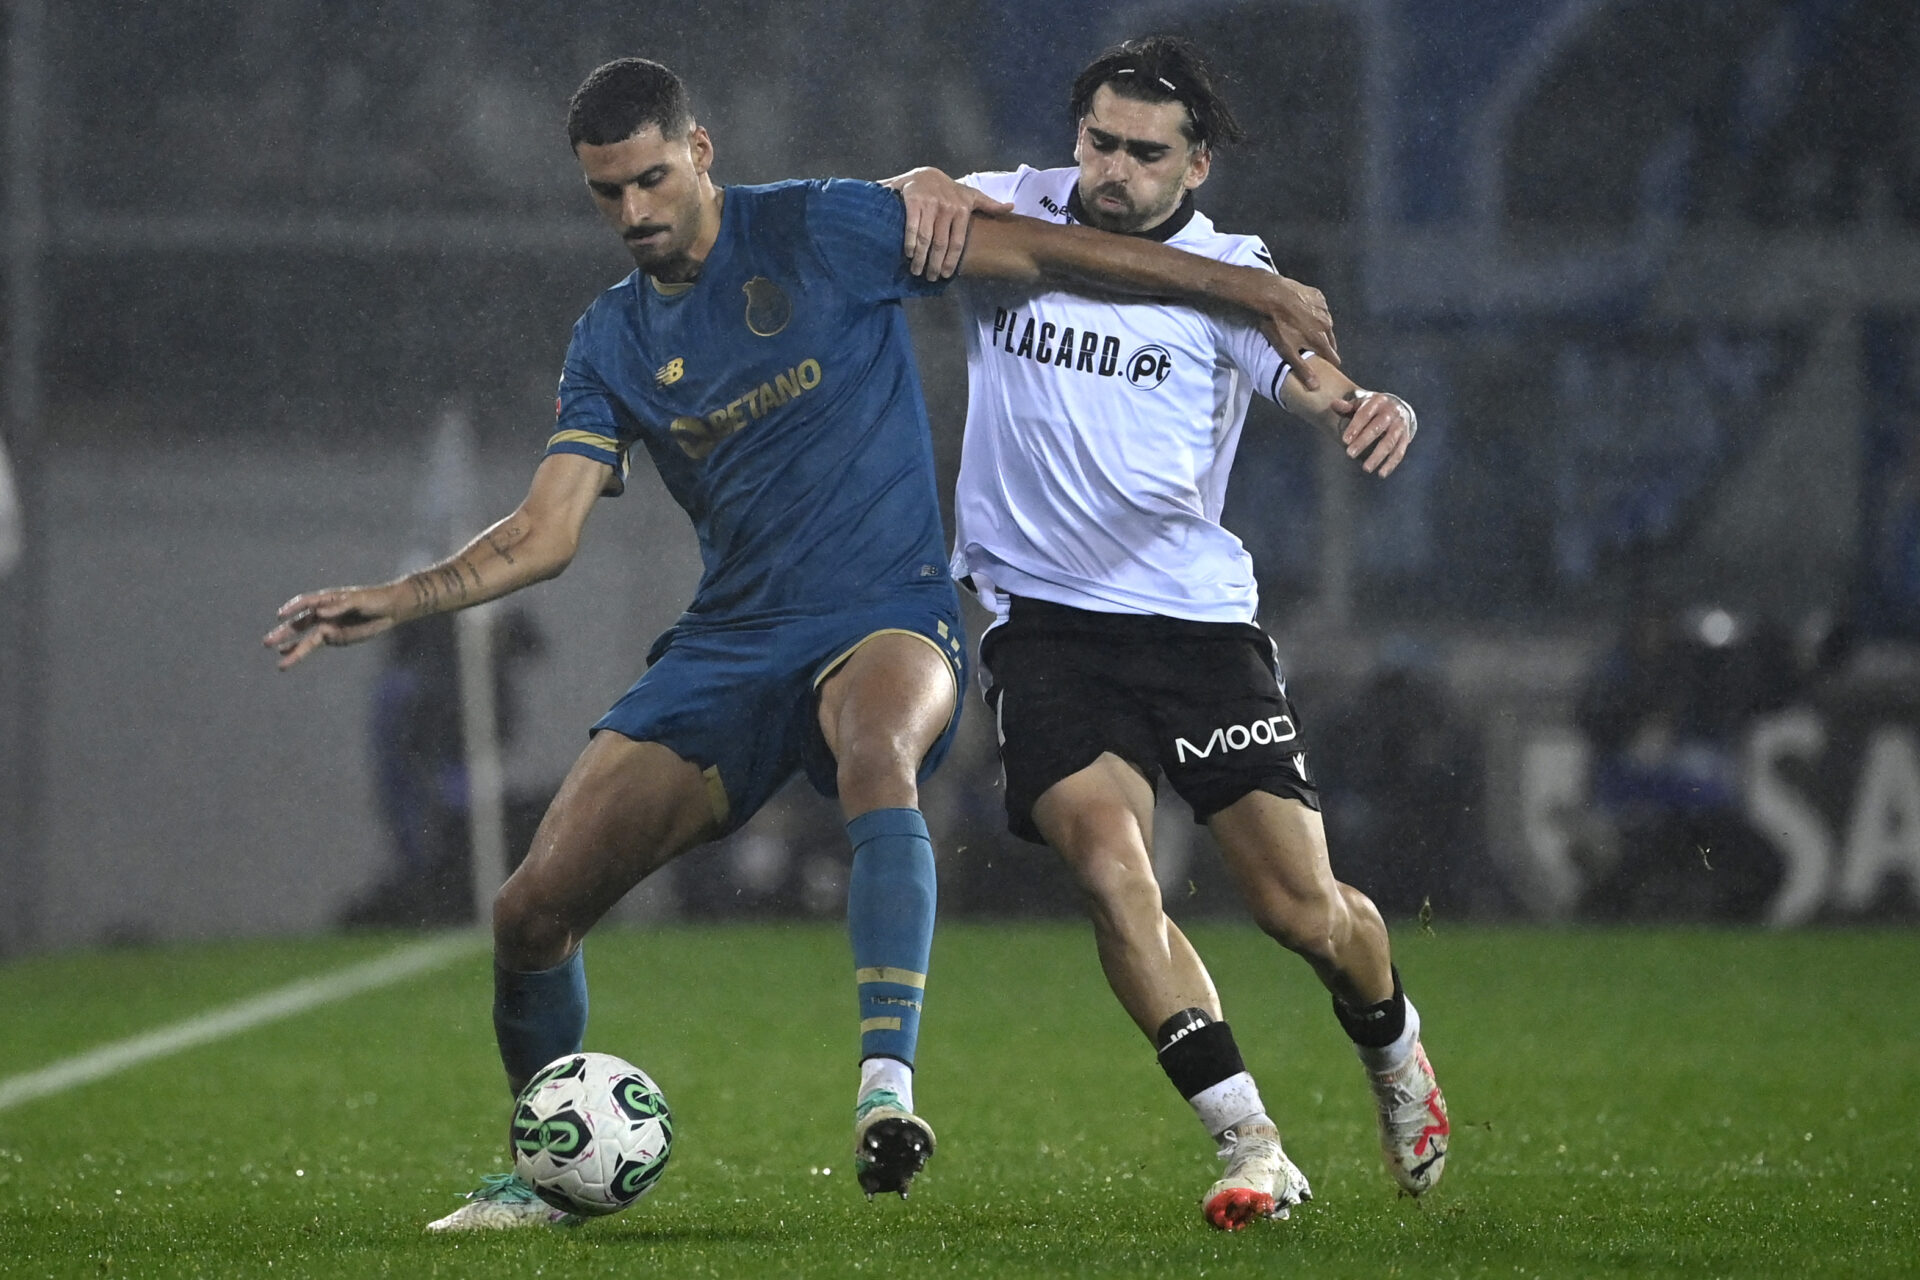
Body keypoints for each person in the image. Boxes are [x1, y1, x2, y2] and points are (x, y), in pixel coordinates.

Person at [263, 56, 1337, 1229]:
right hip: (731, 641)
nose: (634, 213)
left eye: (653, 179)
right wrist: (400, 596)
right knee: (529, 911)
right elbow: (546, 531)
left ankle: (887, 1089)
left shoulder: (823, 227)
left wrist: (1246, 292)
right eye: (607, 193)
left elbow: (1049, 253)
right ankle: (549, 1161)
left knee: (878, 753)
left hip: (890, 609)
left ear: (703, 152)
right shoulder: (612, 339)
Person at [886, 36, 1449, 1230]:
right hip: (1041, 626)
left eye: (1147, 153)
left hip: (1195, 629)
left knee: (1301, 910)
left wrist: (1358, 401)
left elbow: (1301, 370)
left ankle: (1395, 1045)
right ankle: (1250, 1141)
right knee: (1109, 866)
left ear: (1194, 167)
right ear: (1073, 135)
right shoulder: (1021, 203)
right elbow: (901, 205)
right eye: (1100, 141)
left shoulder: (1231, 269)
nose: (1115, 170)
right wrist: (922, 179)